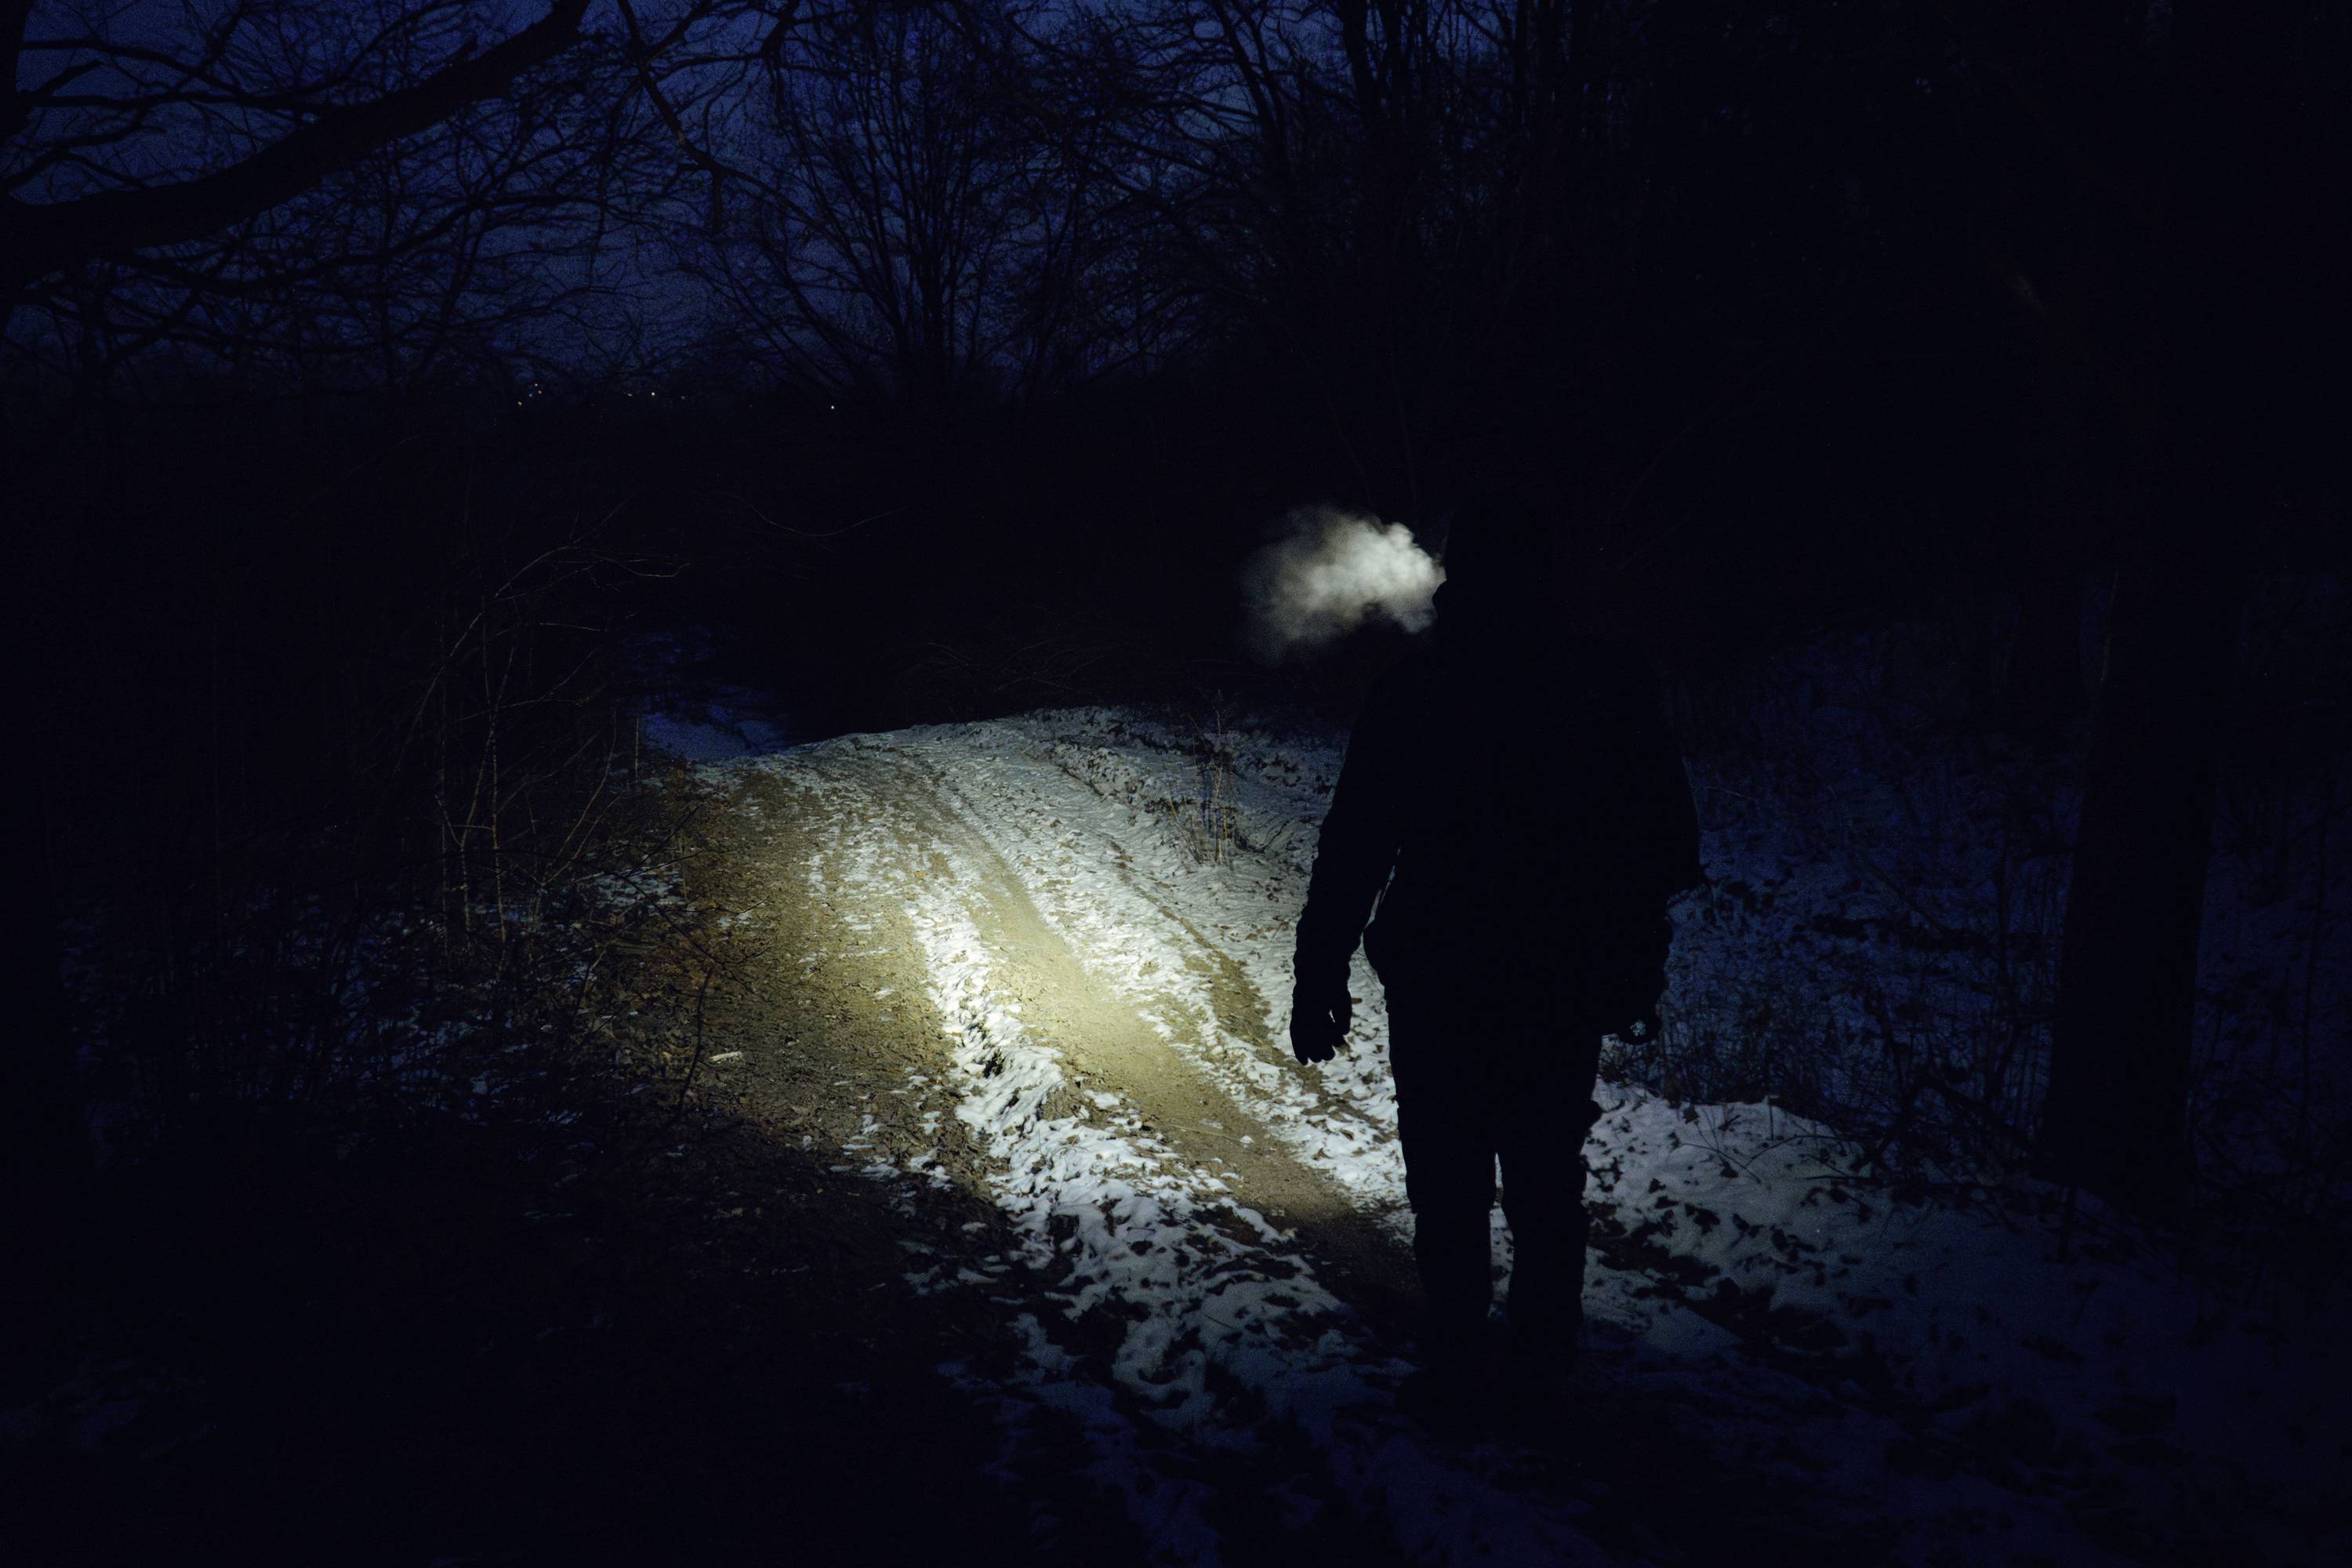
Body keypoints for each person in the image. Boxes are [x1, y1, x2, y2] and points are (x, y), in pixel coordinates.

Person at [1287, 494, 1703, 1425]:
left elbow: (1356, 844)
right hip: (1559, 977)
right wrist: (1633, 957)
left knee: (1449, 1172)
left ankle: (1461, 1354)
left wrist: (1321, 972)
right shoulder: (1604, 682)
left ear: (1458, 580)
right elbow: (1667, 844)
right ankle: (1543, 1353)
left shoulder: (1417, 690)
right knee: (1546, 1168)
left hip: (1443, 976)